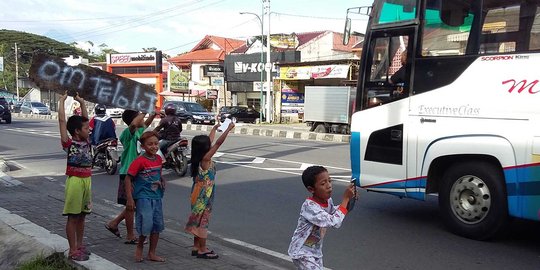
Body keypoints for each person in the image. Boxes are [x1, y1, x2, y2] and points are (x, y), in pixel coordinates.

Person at [288, 165, 356, 270]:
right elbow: (335, 222)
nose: (329, 186)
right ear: (311, 189)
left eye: (330, 181)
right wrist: (345, 199)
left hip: (315, 251)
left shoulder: (328, 201)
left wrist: (350, 200)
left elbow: (335, 213)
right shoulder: (309, 207)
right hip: (302, 253)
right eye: (323, 183)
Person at [185, 121, 235, 259]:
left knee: (198, 220)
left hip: (197, 191)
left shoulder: (199, 157)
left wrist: (214, 128)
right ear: (206, 148)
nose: (211, 145)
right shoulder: (206, 160)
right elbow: (218, 143)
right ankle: (202, 249)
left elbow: (212, 140)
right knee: (203, 221)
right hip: (203, 195)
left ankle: (196, 246)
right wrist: (228, 130)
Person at [105, 109, 157, 244]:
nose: (142, 120)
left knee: (133, 205)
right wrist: (144, 111)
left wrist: (152, 114)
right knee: (131, 206)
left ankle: (114, 223)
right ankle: (130, 235)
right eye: (139, 118)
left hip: (139, 174)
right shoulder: (127, 134)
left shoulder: (140, 132)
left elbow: (145, 124)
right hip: (128, 174)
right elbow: (134, 124)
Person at [58, 91, 92, 261]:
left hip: (87, 180)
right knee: (73, 216)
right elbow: (62, 122)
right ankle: (73, 250)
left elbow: (85, 119)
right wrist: (62, 102)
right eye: (86, 129)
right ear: (77, 131)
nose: (89, 129)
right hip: (75, 182)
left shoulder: (86, 141)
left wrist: (82, 102)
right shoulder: (69, 143)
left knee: (82, 216)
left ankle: (79, 245)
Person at [125, 131, 166, 263]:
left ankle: (152, 253)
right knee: (145, 225)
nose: (154, 146)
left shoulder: (159, 159)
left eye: (156, 143)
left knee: (157, 225)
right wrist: (130, 198)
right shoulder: (139, 161)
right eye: (150, 144)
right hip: (143, 198)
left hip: (156, 197)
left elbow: (159, 173)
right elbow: (128, 178)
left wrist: (162, 180)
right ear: (143, 146)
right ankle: (139, 247)